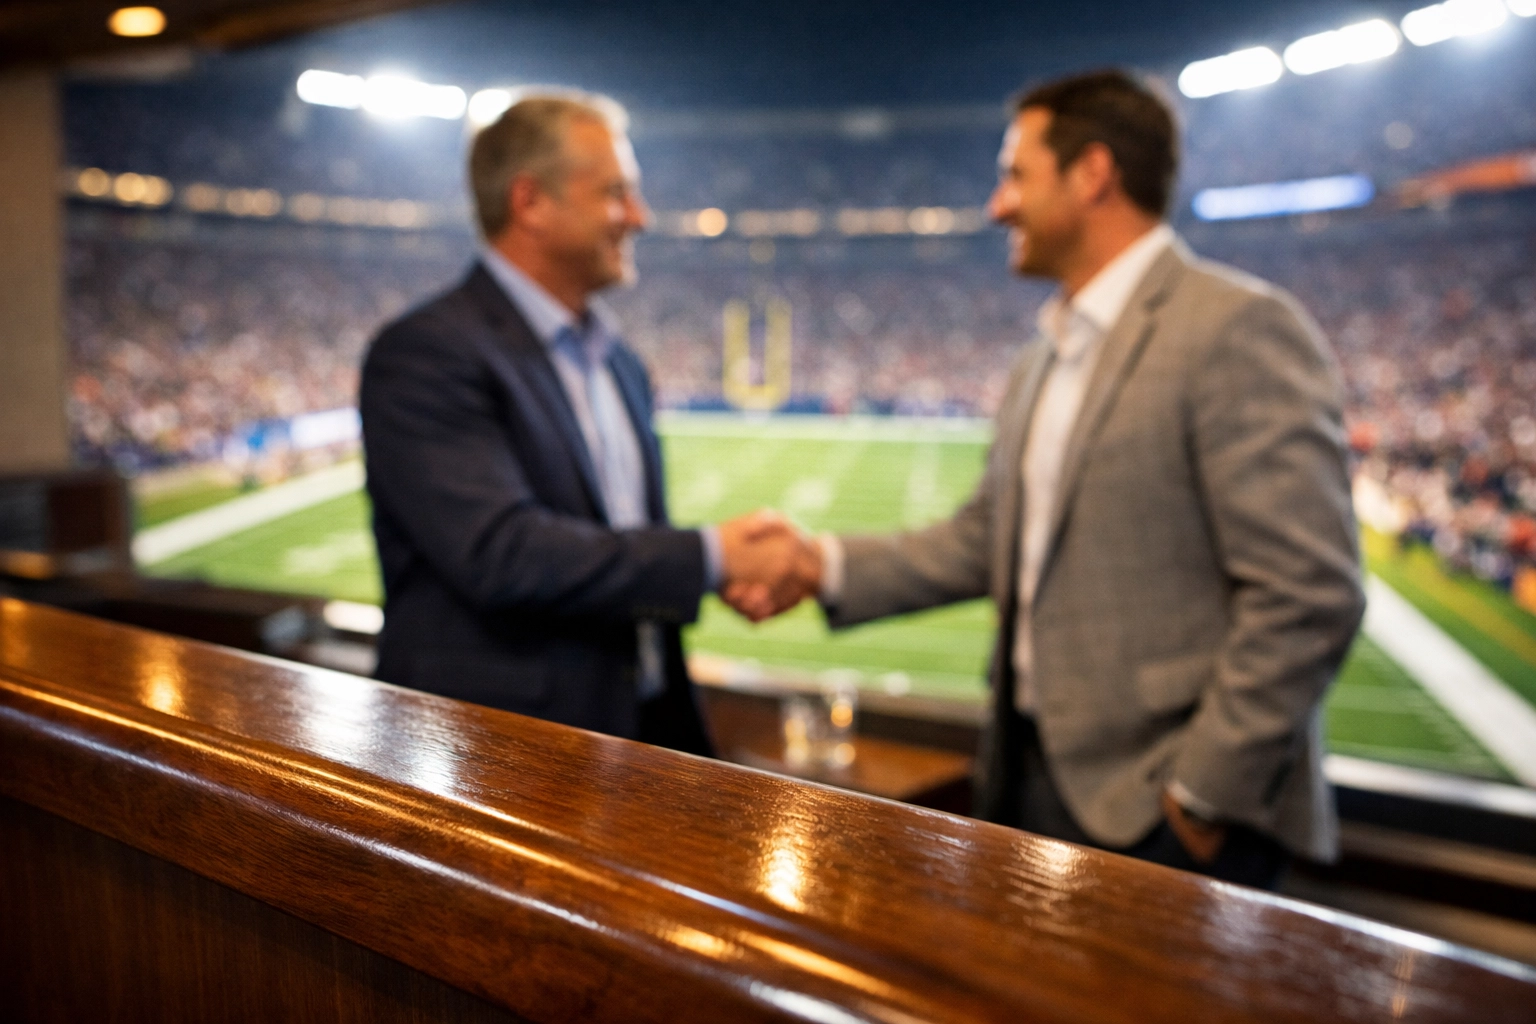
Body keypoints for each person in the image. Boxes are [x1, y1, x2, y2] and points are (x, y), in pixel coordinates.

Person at [729, 70, 1365, 888]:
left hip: (1164, 814)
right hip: (1027, 781)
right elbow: (985, 541)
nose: (998, 205)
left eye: (1015, 175)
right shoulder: (1044, 356)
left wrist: (1200, 799)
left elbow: (1310, 591)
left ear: (1092, 173)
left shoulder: (1236, 327)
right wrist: (818, 564)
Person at [360, 90, 800, 755]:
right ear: (530, 201)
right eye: (616, 193)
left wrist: (704, 570)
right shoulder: (426, 351)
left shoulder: (619, 361)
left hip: (639, 732)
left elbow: (623, 544)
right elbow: (501, 553)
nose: (640, 218)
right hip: (499, 753)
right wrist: (710, 557)